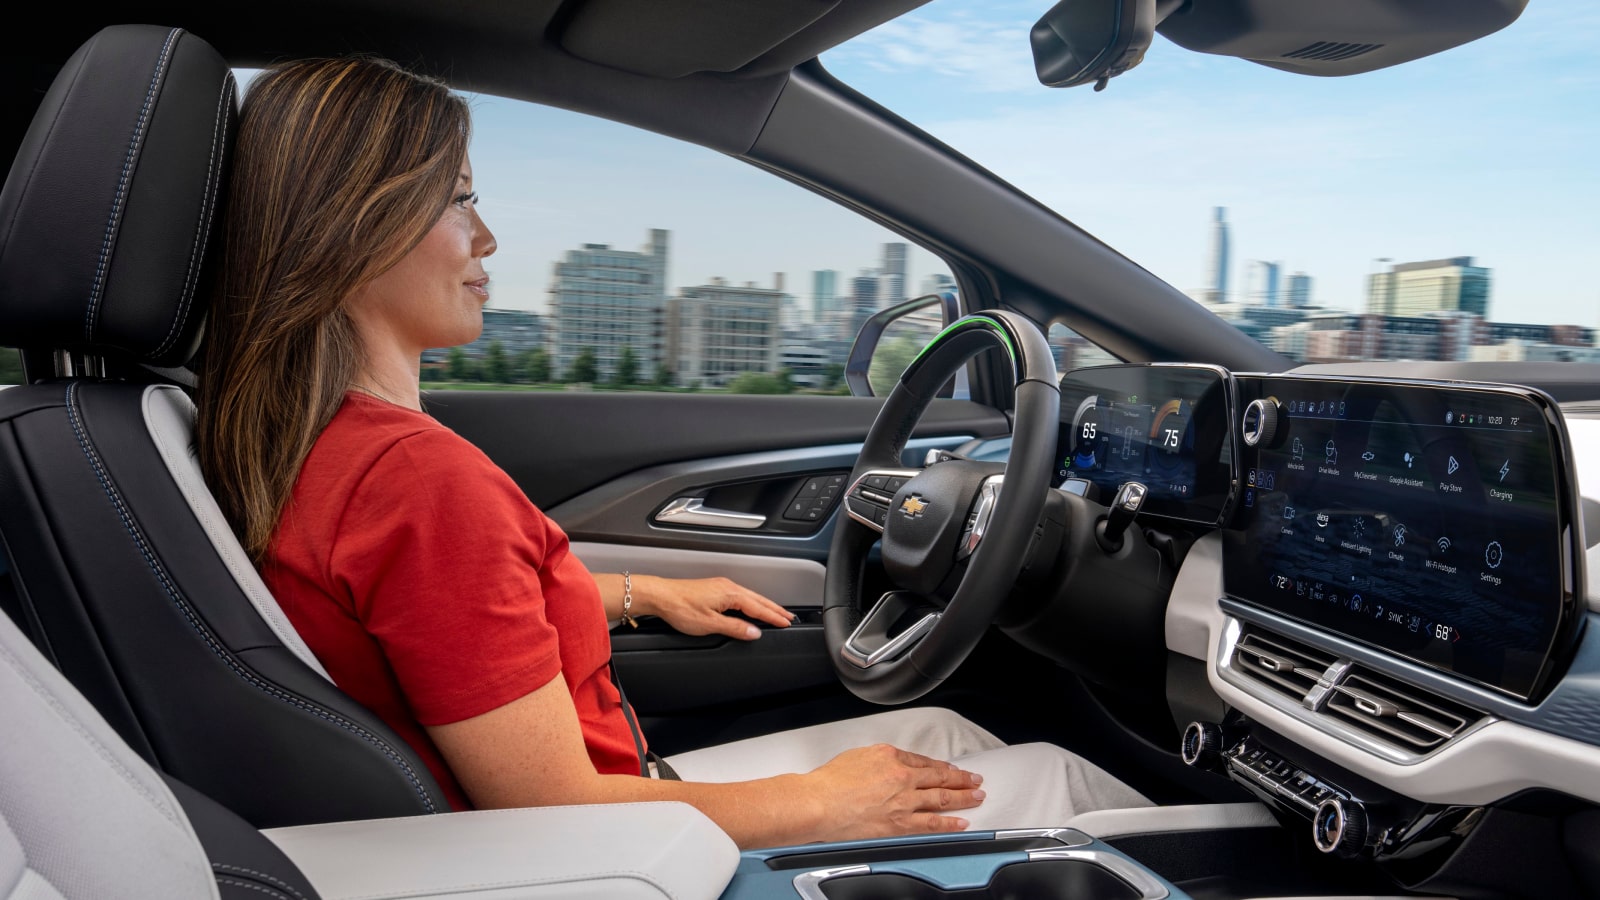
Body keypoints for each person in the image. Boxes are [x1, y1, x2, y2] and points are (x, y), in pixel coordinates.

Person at [196, 56, 1149, 850]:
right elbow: (547, 812)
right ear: (356, 227)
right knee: (1062, 782)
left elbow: (435, 622)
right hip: (613, 855)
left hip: (611, 810)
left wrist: (637, 592)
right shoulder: (416, 482)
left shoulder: (308, 442)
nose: (487, 236)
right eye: (458, 201)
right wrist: (827, 804)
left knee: (946, 731)